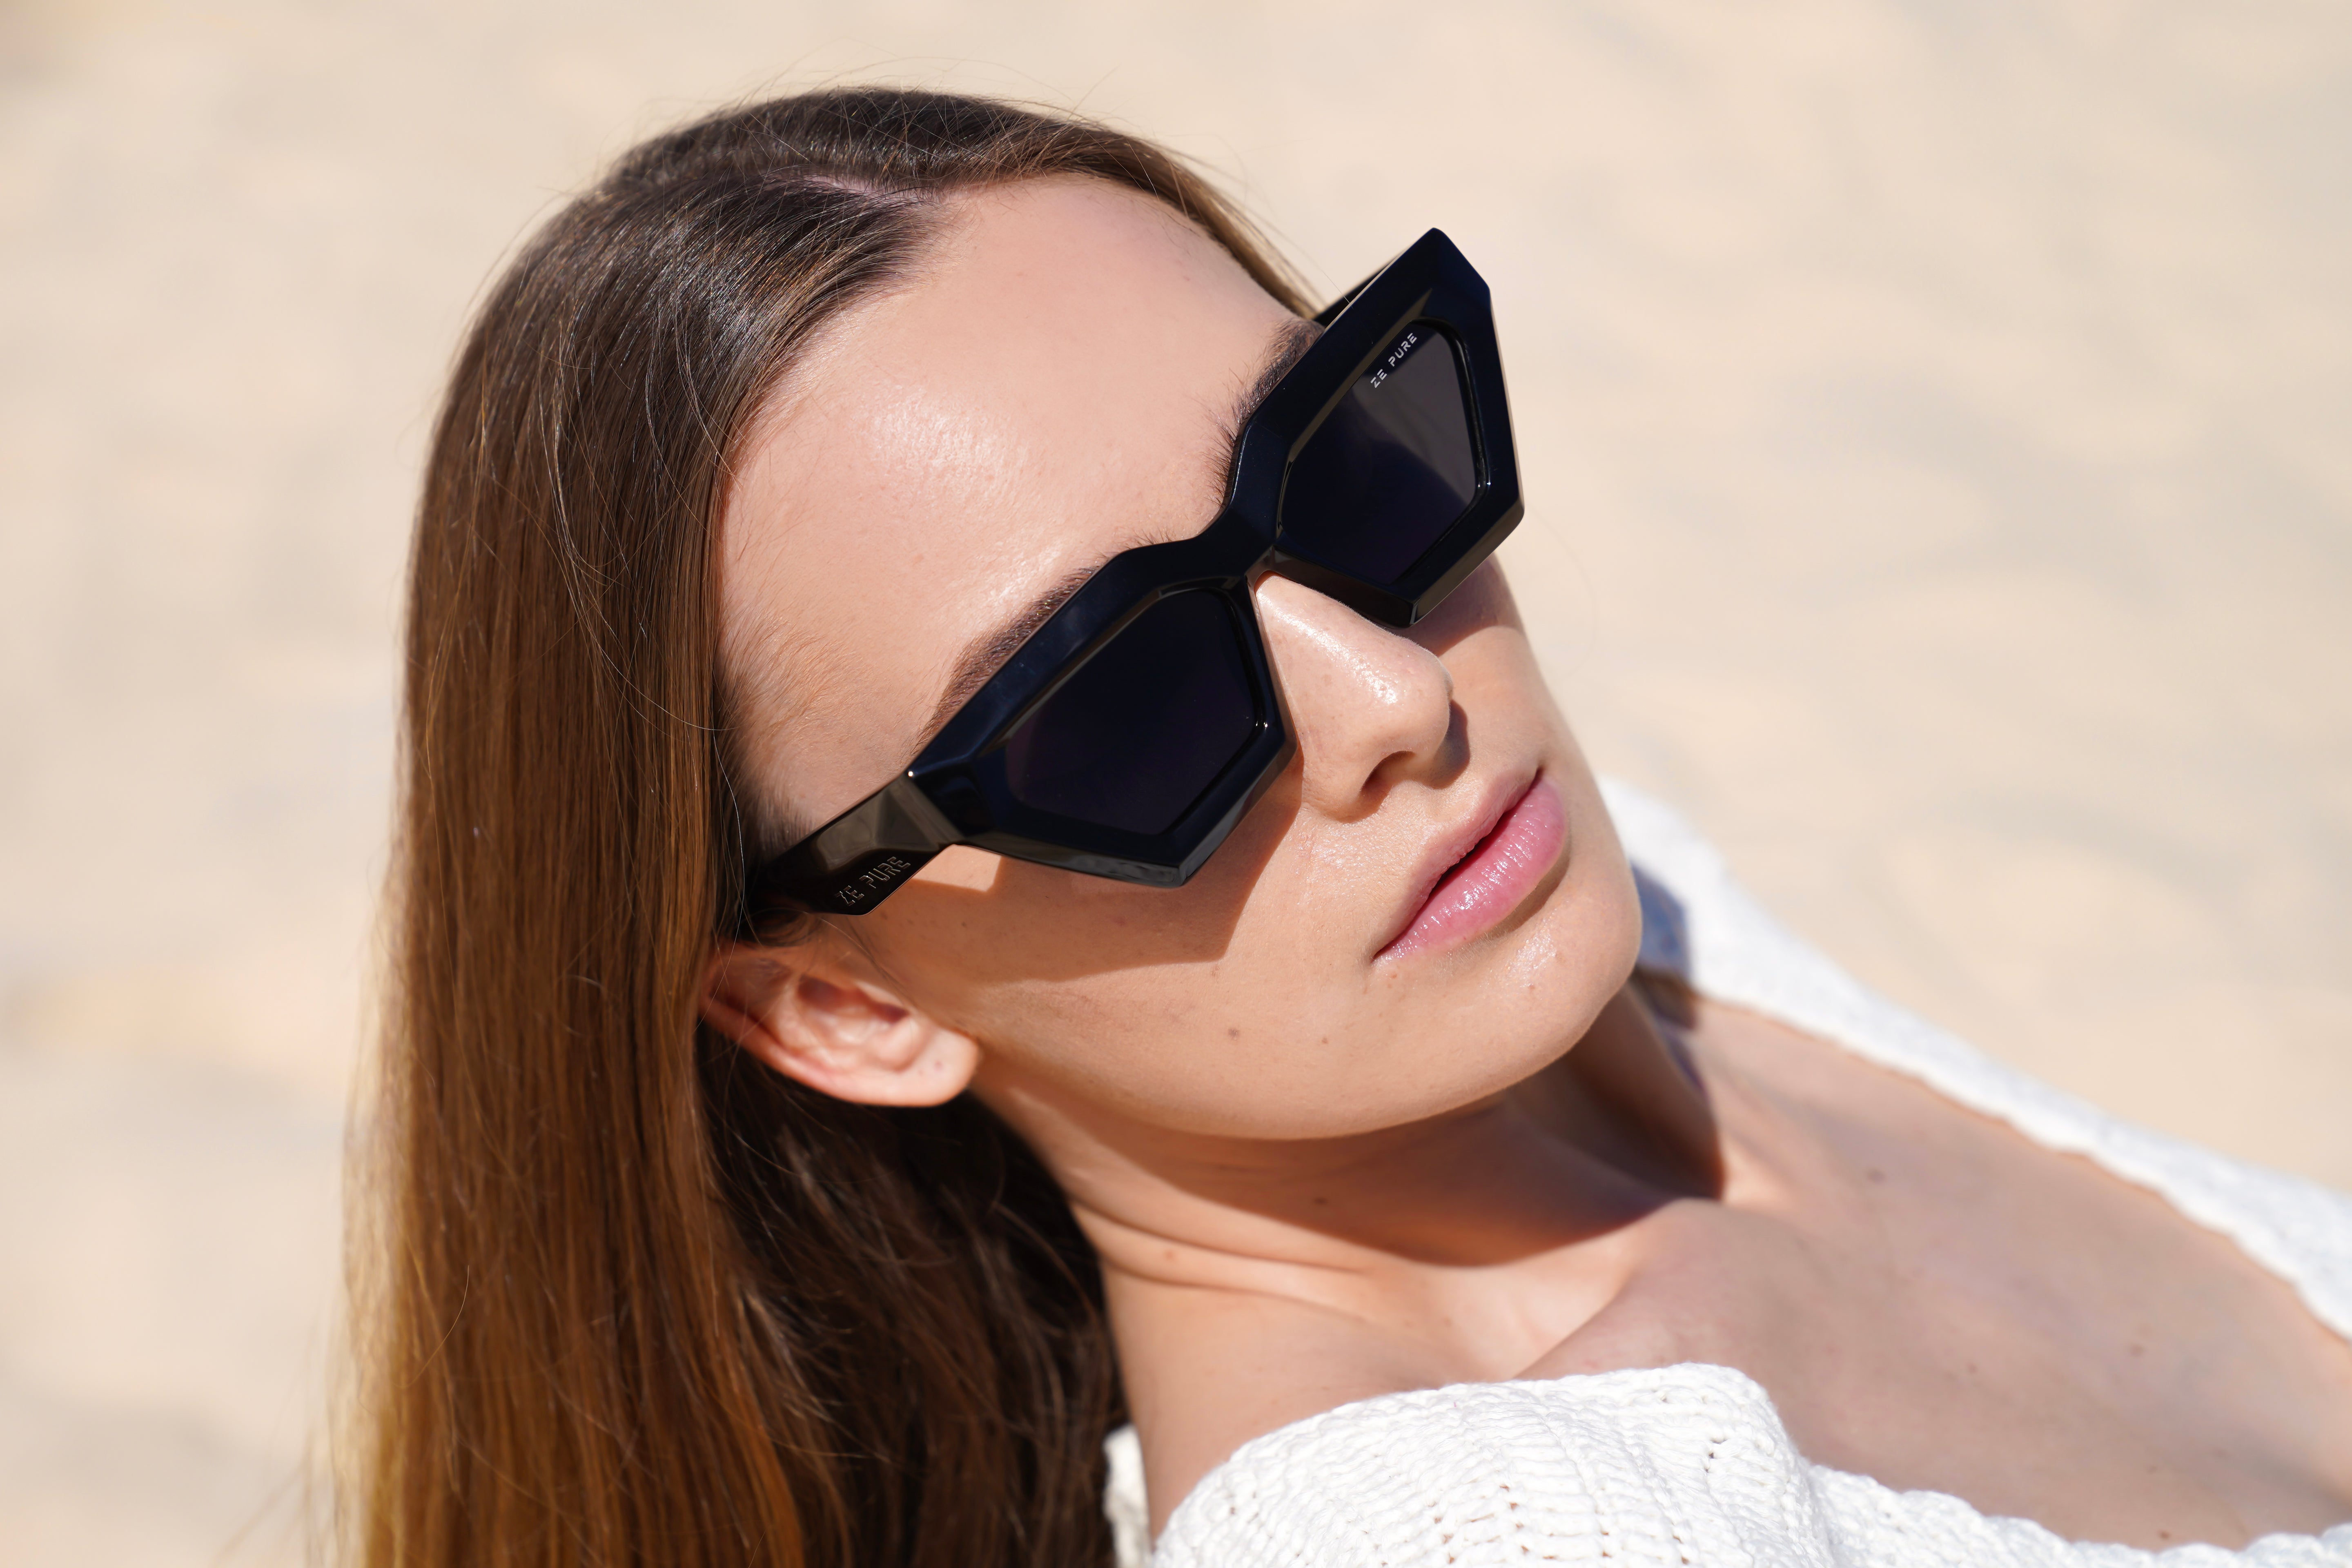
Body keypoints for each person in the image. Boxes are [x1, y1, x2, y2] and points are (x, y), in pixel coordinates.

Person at [351, 87, 2352, 1568]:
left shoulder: (1622, 912)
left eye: (1352, 473)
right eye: (1118, 708)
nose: (1399, 699)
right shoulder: (1464, 1527)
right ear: (842, 1010)